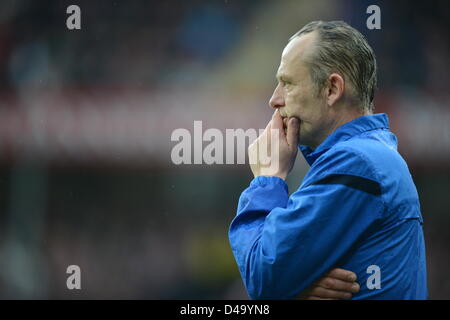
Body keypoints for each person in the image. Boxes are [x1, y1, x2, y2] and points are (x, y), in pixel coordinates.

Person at [228, 21, 427, 300]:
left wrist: (267, 180)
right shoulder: (371, 155)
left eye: (287, 83)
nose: (274, 100)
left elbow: (263, 276)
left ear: (332, 89)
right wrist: (294, 288)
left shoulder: (356, 162)